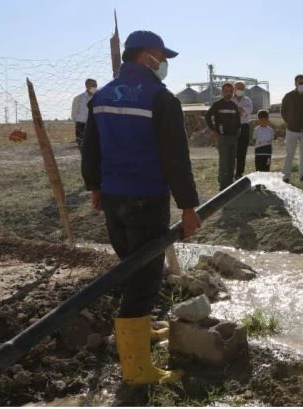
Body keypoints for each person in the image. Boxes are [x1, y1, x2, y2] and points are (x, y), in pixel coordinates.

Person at [81, 30, 201, 386]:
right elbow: (175, 158)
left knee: (131, 267)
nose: (163, 64)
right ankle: (137, 371)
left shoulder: (101, 96)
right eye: (161, 57)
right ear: (145, 56)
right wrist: (188, 207)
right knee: (145, 277)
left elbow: (91, 147)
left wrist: (95, 187)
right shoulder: (159, 98)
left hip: (114, 197)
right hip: (146, 198)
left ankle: (142, 329)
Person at [205, 82, 241, 191]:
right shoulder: (217, 104)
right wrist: (214, 130)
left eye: (230, 91)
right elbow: (207, 116)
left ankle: (230, 183)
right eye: (226, 91)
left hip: (233, 138)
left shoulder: (234, 105)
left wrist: (238, 131)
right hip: (222, 138)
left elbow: (238, 120)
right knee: (224, 161)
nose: (228, 93)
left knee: (232, 161)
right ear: (222, 92)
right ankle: (223, 184)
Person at [280, 74, 303, 184]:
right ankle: (286, 176)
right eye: (301, 83)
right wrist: (290, 122)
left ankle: (302, 175)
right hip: (292, 130)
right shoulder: (288, 96)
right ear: (295, 83)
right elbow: (283, 111)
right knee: (289, 154)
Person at [233, 81, 253, 180]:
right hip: (232, 127)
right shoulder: (230, 99)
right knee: (231, 151)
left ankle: (239, 173)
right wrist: (241, 110)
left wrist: (238, 109)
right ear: (234, 88)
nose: (240, 90)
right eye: (238, 88)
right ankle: (230, 172)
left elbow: (248, 111)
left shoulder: (247, 100)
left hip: (244, 127)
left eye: (242, 88)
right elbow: (240, 112)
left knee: (242, 151)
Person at [71, 78, 97, 148]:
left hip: (95, 125)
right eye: (93, 85)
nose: (95, 87)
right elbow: (74, 114)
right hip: (81, 126)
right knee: (82, 147)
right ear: (87, 86)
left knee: (95, 148)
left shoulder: (98, 98)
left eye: (96, 85)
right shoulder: (78, 98)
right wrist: (78, 125)